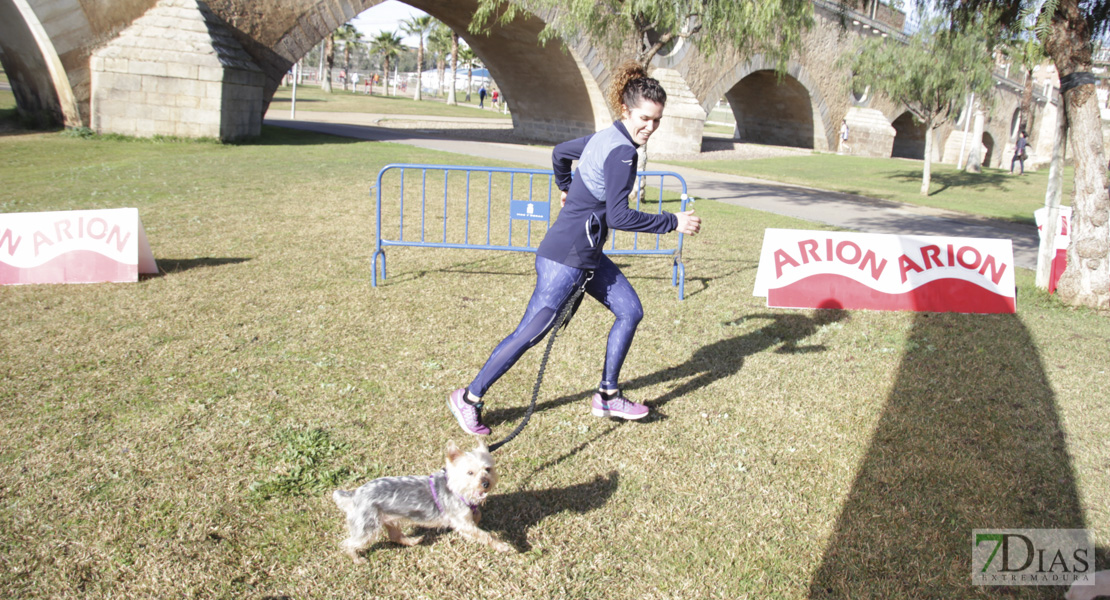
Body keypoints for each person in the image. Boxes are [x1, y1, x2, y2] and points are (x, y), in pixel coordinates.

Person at [447, 62, 702, 435]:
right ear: (626, 111)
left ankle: (608, 394)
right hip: (564, 257)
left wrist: (564, 185)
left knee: (630, 310)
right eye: (645, 118)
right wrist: (672, 222)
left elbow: (561, 152)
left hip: (587, 256)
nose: (650, 127)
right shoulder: (622, 153)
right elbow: (619, 216)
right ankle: (469, 398)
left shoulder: (605, 137)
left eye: (657, 121)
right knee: (529, 333)